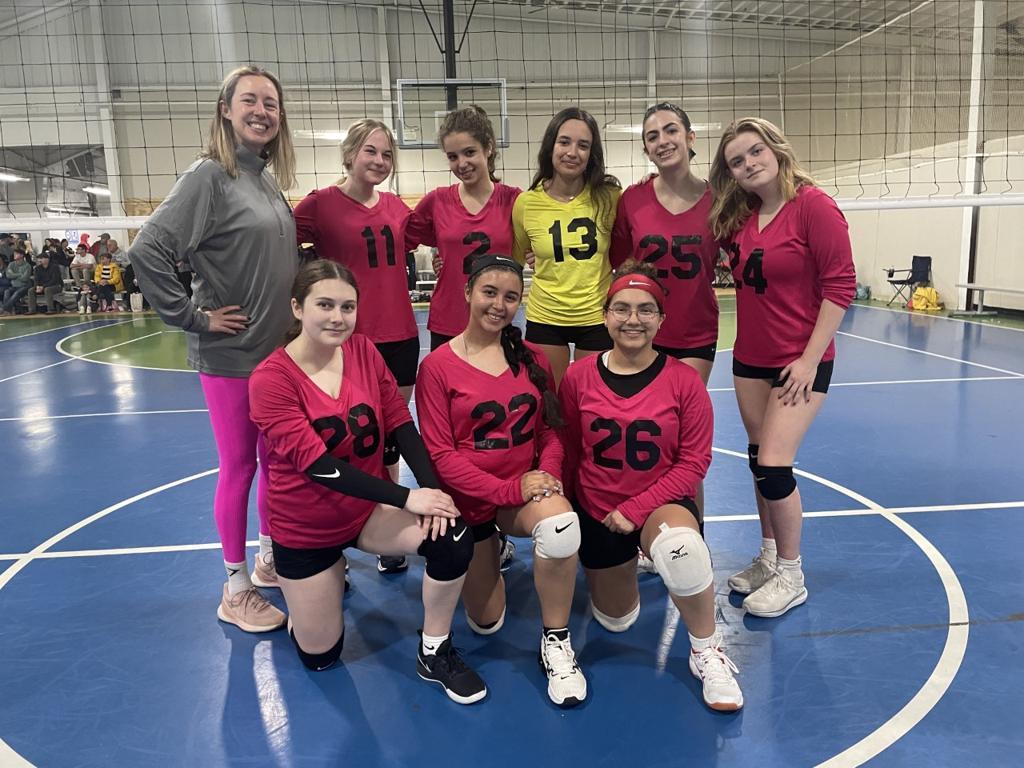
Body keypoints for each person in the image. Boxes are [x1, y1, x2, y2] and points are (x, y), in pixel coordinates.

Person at [249, 259, 485, 704]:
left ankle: (434, 650)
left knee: (452, 534)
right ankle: (318, 580)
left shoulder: (362, 351)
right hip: (306, 530)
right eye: (325, 305)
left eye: (347, 306)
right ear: (297, 307)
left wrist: (433, 493)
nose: (337, 317)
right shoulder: (271, 379)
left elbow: (401, 423)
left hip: (363, 515)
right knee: (321, 656)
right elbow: (318, 465)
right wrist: (405, 496)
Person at [130, 65, 299, 633]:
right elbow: (147, 248)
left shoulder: (264, 178)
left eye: (271, 102)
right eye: (249, 100)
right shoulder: (208, 176)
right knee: (240, 467)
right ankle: (234, 587)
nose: (261, 110)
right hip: (231, 358)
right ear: (225, 109)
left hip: (276, 356)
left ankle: (270, 556)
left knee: (277, 463)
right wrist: (191, 317)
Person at [558, 260, 743, 712]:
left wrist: (637, 509)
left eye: (645, 310)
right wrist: (570, 509)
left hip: (659, 503)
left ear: (661, 319)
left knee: (682, 547)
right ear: (605, 316)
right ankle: (628, 568)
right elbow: (568, 448)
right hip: (598, 508)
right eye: (621, 309)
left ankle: (707, 650)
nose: (632, 320)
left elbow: (694, 461)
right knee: (618, 621)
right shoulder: (578, 377)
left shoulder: (683, 380)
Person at [416, 254, 586, 707]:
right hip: (471, 505)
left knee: (561, 525)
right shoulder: (437, 367)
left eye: (511, 296)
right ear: (468, 292)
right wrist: (506, 490)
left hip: (519, 497)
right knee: (485, 622)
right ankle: (489, 549)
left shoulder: (530, 357)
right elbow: (440, 457)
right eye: (490, 292)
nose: (500, 304)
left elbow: (550, 429)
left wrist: (546, 473)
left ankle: (556, 641)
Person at [708, 117, 855, 618]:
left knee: (774, 464)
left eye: (754, 152)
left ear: (775, 148)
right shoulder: (744, 217)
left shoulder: (813, 206)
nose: (749, 164)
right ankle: (769, 557)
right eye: (736, 161)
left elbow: (840, 287)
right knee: (756, 460)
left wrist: (809, 360)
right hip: (749, 358)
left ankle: (792, 574)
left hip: (800, 363)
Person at [294, 119, 418, 575]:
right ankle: (335, 543)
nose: (379, 161)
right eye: (371, 152)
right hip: (345, 339)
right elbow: (274, 241)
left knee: (387, 441)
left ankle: (385, 530)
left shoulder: (397, 206)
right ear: (349, 154)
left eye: (387, 155)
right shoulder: (319, 204)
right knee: (343, 442)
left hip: (401, 335)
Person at [610, 102, 721, 571]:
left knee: (682, 443)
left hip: (694, 333)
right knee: (643, 438)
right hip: (640, 335)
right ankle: (645, 535)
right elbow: (619, 263)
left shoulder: (722, 200)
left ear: (691, 137)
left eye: (671, 130)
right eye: (652, 135)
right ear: (646, 148)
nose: (662, 140)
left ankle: (690, 541)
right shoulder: (632, 201)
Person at [512, 107, 621, 387]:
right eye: (564, 142)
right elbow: (516, 261)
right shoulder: (527, 204)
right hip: (546, 316)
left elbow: (631, 243)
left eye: (583, 145)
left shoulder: (610, 198)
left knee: (592, 402)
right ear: (551, 146)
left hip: (596, 316)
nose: (572, 152)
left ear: (591, 153)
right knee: (551, 405)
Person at [406, 106, 521, 351]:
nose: (462, 163)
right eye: (452, 156)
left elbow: (535, 246)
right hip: (449, 319)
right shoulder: (436, 201)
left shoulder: (514, 201)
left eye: (469, 152)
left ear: (488, 148)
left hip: (495, 318)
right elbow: (401, 239)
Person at [0, 247, 33, 315]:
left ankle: (4, 309)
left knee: (17, 293)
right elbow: (8, 275)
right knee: (7, 291)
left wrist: (14, 275)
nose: (14, 255)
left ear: (21, 255)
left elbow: (25, 278)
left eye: (16, 254)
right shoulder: (11, 264)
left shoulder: (27, 266)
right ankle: (8, 311)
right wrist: (20, 274)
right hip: (14, 285)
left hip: (24, 285)